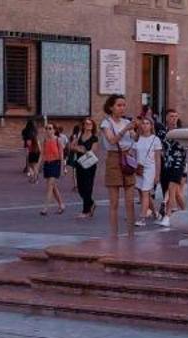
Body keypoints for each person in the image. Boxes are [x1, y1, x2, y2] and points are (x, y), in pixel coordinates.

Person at [98, 95, 131, 237]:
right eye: (119, 105)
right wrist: (125, 130)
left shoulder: (126, 121)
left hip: (127, 157)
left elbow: (135, 138)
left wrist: (139, 128)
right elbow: (111, 140)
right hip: (113, 158)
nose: (122, 108)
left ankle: (131, 234)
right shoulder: (106, 123)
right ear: (111, 107)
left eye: (124, 105)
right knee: (114, 202)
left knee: (130, 201)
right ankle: (114, 234)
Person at [130, 117, 163, 227]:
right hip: (139, 168)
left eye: (147, 123)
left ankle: (142, 218)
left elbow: (158, 158)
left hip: (150, 168)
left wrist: (157, 174)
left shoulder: (155, 139)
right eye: (143, 123)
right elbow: (133, 155)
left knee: (145, 192)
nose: (145, 125)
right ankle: (155, 213)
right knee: (144, 193)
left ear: (151, 126)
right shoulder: (137, 138)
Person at [65, 118, 98, 219]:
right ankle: (91, 203)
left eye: (90, 124)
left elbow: (92, 151)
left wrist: (80, 149)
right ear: (83, 125)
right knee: (80, 187)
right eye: (86, 124)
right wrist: (80, 148)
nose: (88, 125)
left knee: (88, 187)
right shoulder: (79, 136)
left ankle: (86, 211)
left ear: (93, 126)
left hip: (89, 165)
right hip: (79, 164)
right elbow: (71, 147)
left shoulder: (94, 138)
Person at [160, 109, 187, 226]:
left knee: (172, 188)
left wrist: (186, 166)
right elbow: (160, 148)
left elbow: (186, 149)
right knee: (175, 192)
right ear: (166, 118)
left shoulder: (182, 133)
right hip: (166, 163)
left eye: (176, 116)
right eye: (171, 116)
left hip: (178, 162)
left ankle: (168, 214)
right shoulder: (162, 133)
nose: (174, 118)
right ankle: (187, 213)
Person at [38, 122, 66, 215]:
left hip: (56, 164)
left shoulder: (58, 140)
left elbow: (62, 155)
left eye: (50, 128)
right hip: (47, 164)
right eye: (46, 128)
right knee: (53, 187)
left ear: (54, 130)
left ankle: (45, 208)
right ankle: (61, 204)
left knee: (50, 186)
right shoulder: (44, 141)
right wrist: (37, 167)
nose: (48, 130)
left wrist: (63, 168)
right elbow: (42, 154)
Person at [21, 117, 40, 182]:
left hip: (28, 148)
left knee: (29, 162)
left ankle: (32, 175)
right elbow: (37, 140)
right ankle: (35, 176)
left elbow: (24, 138)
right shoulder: (35, 131)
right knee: (35, 164)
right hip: (36, 148)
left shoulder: (25, 131)